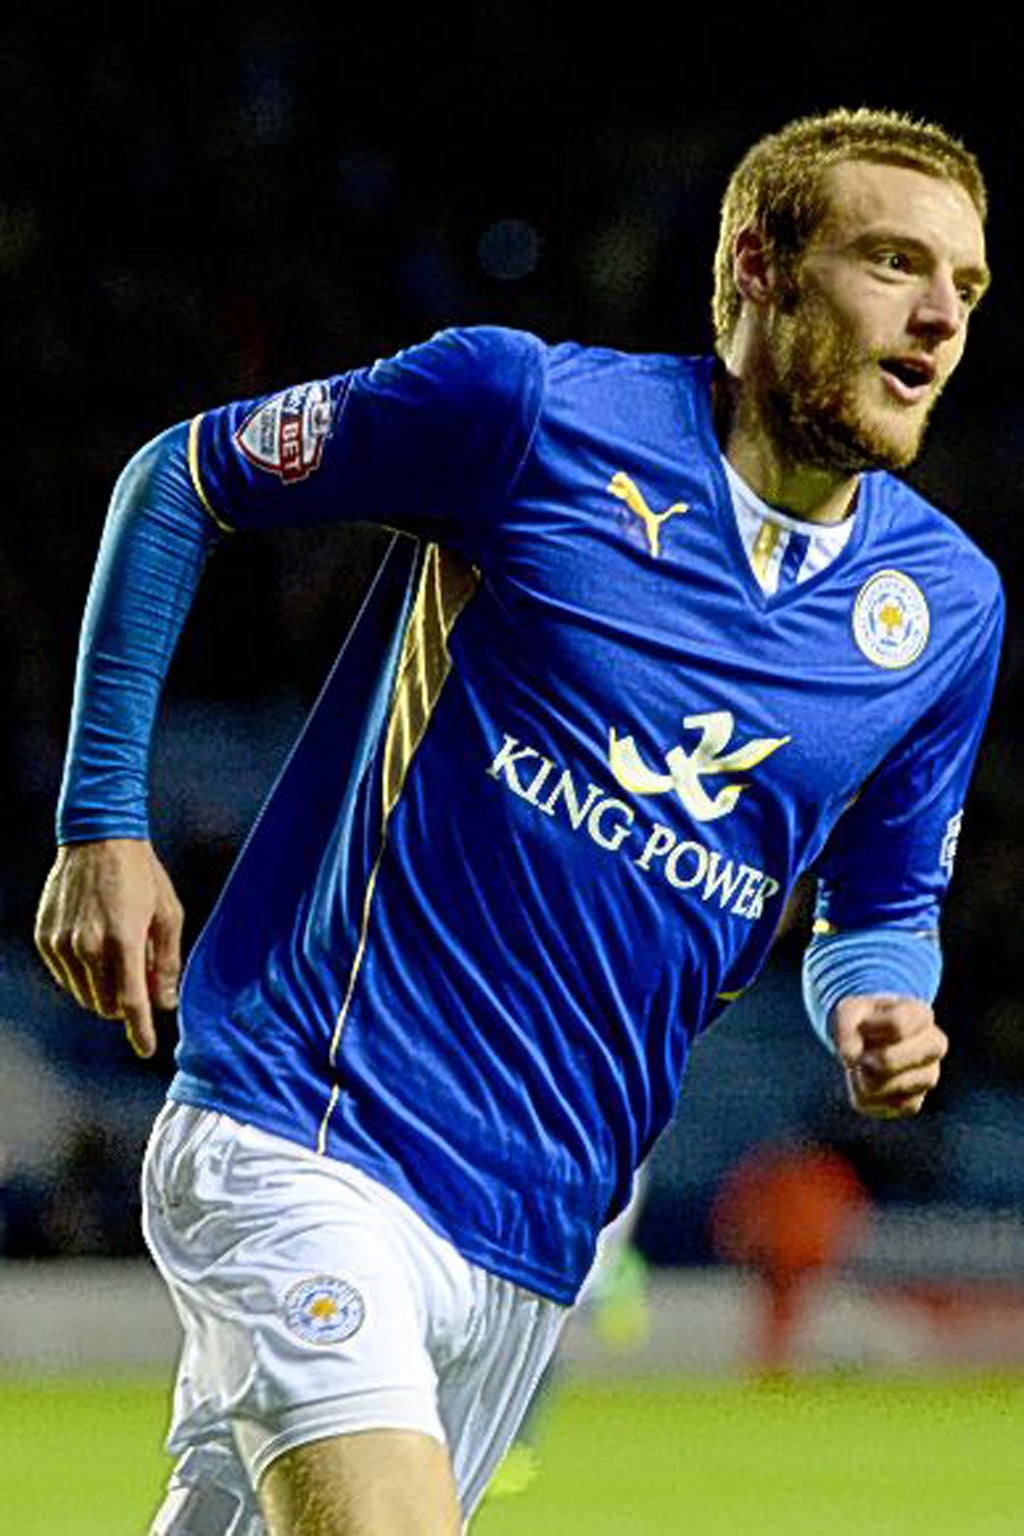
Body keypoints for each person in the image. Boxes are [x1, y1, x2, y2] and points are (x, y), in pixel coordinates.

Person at [34, 105, 1002, 1535]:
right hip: (310, 1125)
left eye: (967, 288)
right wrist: (103, 821)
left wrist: (882, 1006)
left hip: (539, 1232)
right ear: (760, 266)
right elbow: (182, 477)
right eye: (891, 262)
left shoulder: (943, 612)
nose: (938, 318)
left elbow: (882, 909)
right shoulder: (527, 413)